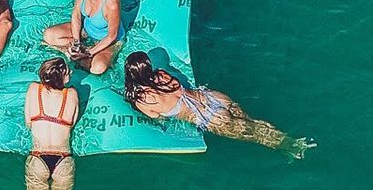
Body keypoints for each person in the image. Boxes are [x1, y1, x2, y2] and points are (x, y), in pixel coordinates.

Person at [121, 52, 315, 157]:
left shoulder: (144, 100)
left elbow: (157, 116)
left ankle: (291, 147)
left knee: (254, 135)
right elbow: (177, 86)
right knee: (252, 123)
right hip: (212, 97)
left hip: (208, 118)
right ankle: (290, 140)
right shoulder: (161, 74)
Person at [21, 57, 82, 190]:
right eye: (67, 72)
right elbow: (71, 122)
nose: (71, 73)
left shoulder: (33, 89)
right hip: (63, 159)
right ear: (61, 78)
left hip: (37, 157)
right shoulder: (72, 94)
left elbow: (28, 123)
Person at [43, 0, 122, 75]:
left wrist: (89, 52)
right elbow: (76, 13)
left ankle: (74, 55)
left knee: (97, 68)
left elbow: (112, 35)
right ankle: (77, 55)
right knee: (49, 35)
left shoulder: (112, 2)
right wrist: (76, 42)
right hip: (87, 30)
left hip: (107, 40)